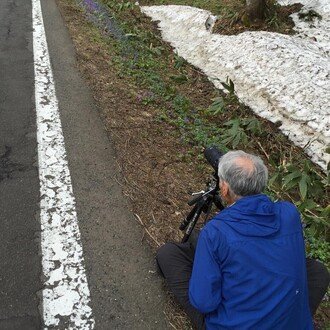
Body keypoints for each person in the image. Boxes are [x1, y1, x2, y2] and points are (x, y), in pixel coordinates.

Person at [156, 150, 329, 329]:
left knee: (168, 253)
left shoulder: (215, 232)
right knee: (317, 270)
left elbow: (204, 303)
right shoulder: (289, 213)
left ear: (224, 189)